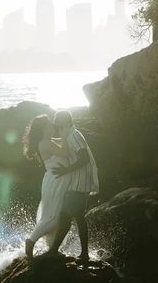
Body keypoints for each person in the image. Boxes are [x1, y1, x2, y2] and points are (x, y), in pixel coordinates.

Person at [45, 110, 99, 262]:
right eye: (56, 124)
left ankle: (55, 250)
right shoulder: (70, 134)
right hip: (80, 182)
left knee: (66, 216)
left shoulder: (74, 135)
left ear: (66, 123)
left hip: (79, 183)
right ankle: (83, 254)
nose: (57, 127)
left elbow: (84, 158)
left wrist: (65, 171)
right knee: (78, 217)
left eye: (58, 124)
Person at [23, 114, 71, 259]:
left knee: (58, 215)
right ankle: (31, 241)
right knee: (54, 216)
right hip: (55, 181)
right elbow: (66, 152)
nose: (53, 127)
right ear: (44, 129)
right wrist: (65, 134)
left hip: (57, 180)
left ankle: (52, 248)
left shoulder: (47, 141)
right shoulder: (45, 143)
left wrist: (63, 136)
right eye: (50, 125)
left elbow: (59, 143)